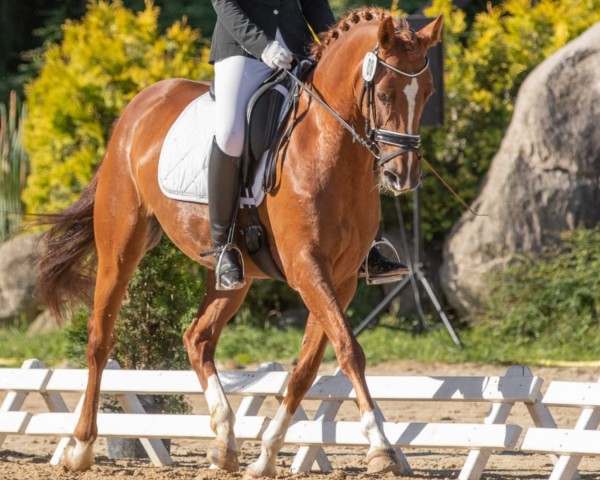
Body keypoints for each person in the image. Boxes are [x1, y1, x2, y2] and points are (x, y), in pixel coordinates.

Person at [208, 0, 408, 291]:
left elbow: (314, 4)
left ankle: (364, 245)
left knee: (351, 121)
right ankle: (223, 246)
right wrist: (261, 45)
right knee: (230, 133)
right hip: (242, 48)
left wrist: (331, 45)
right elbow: (224, 3)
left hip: (296, 46)